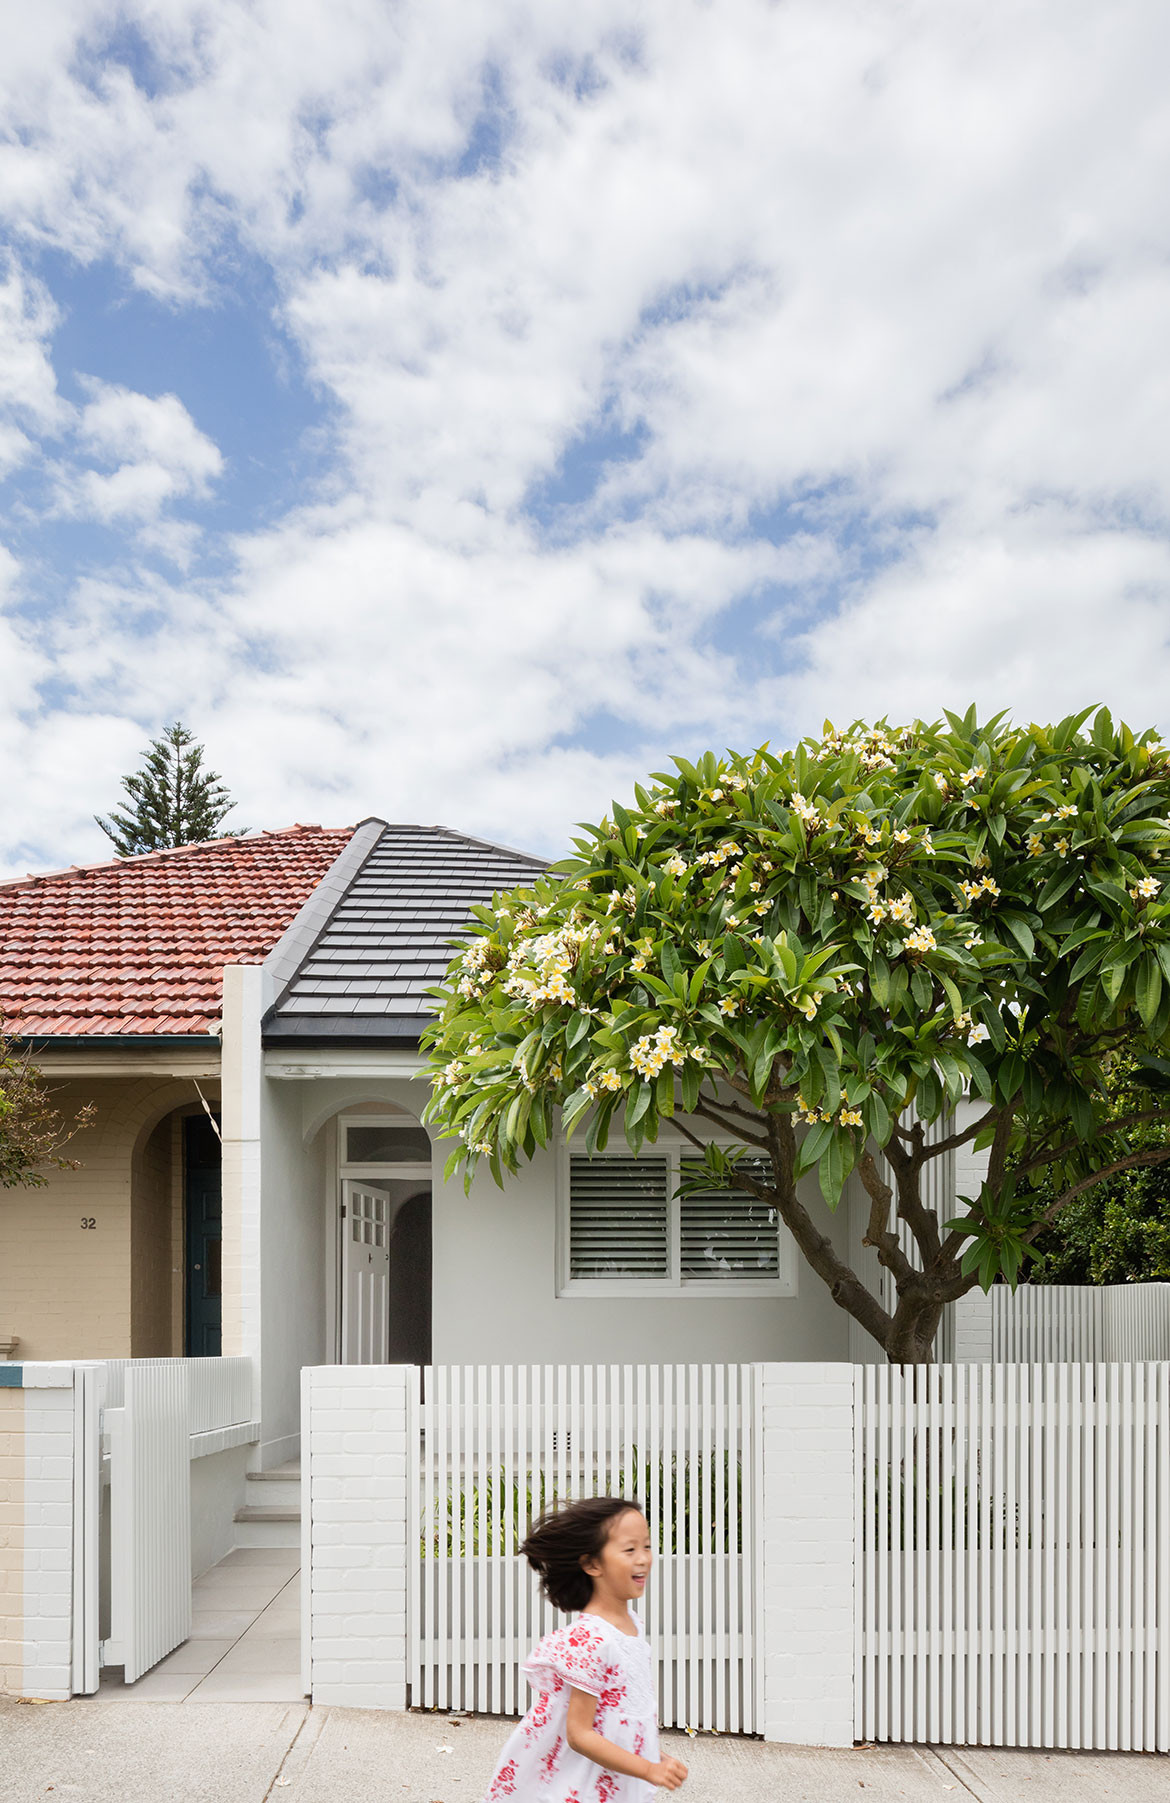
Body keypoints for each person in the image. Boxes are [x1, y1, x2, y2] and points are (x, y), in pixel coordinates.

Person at [480, 1495, 689, 1801]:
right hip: (585, 1785)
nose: (643, 1558)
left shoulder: (631, 1624)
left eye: (646, 1546)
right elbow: (580, 1735)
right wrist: (646, 1769)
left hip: (616, 1780)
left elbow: (619, 1716)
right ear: (592, 1564)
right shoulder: (592, 1640)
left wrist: (654, 1756)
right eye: (629, 1549)